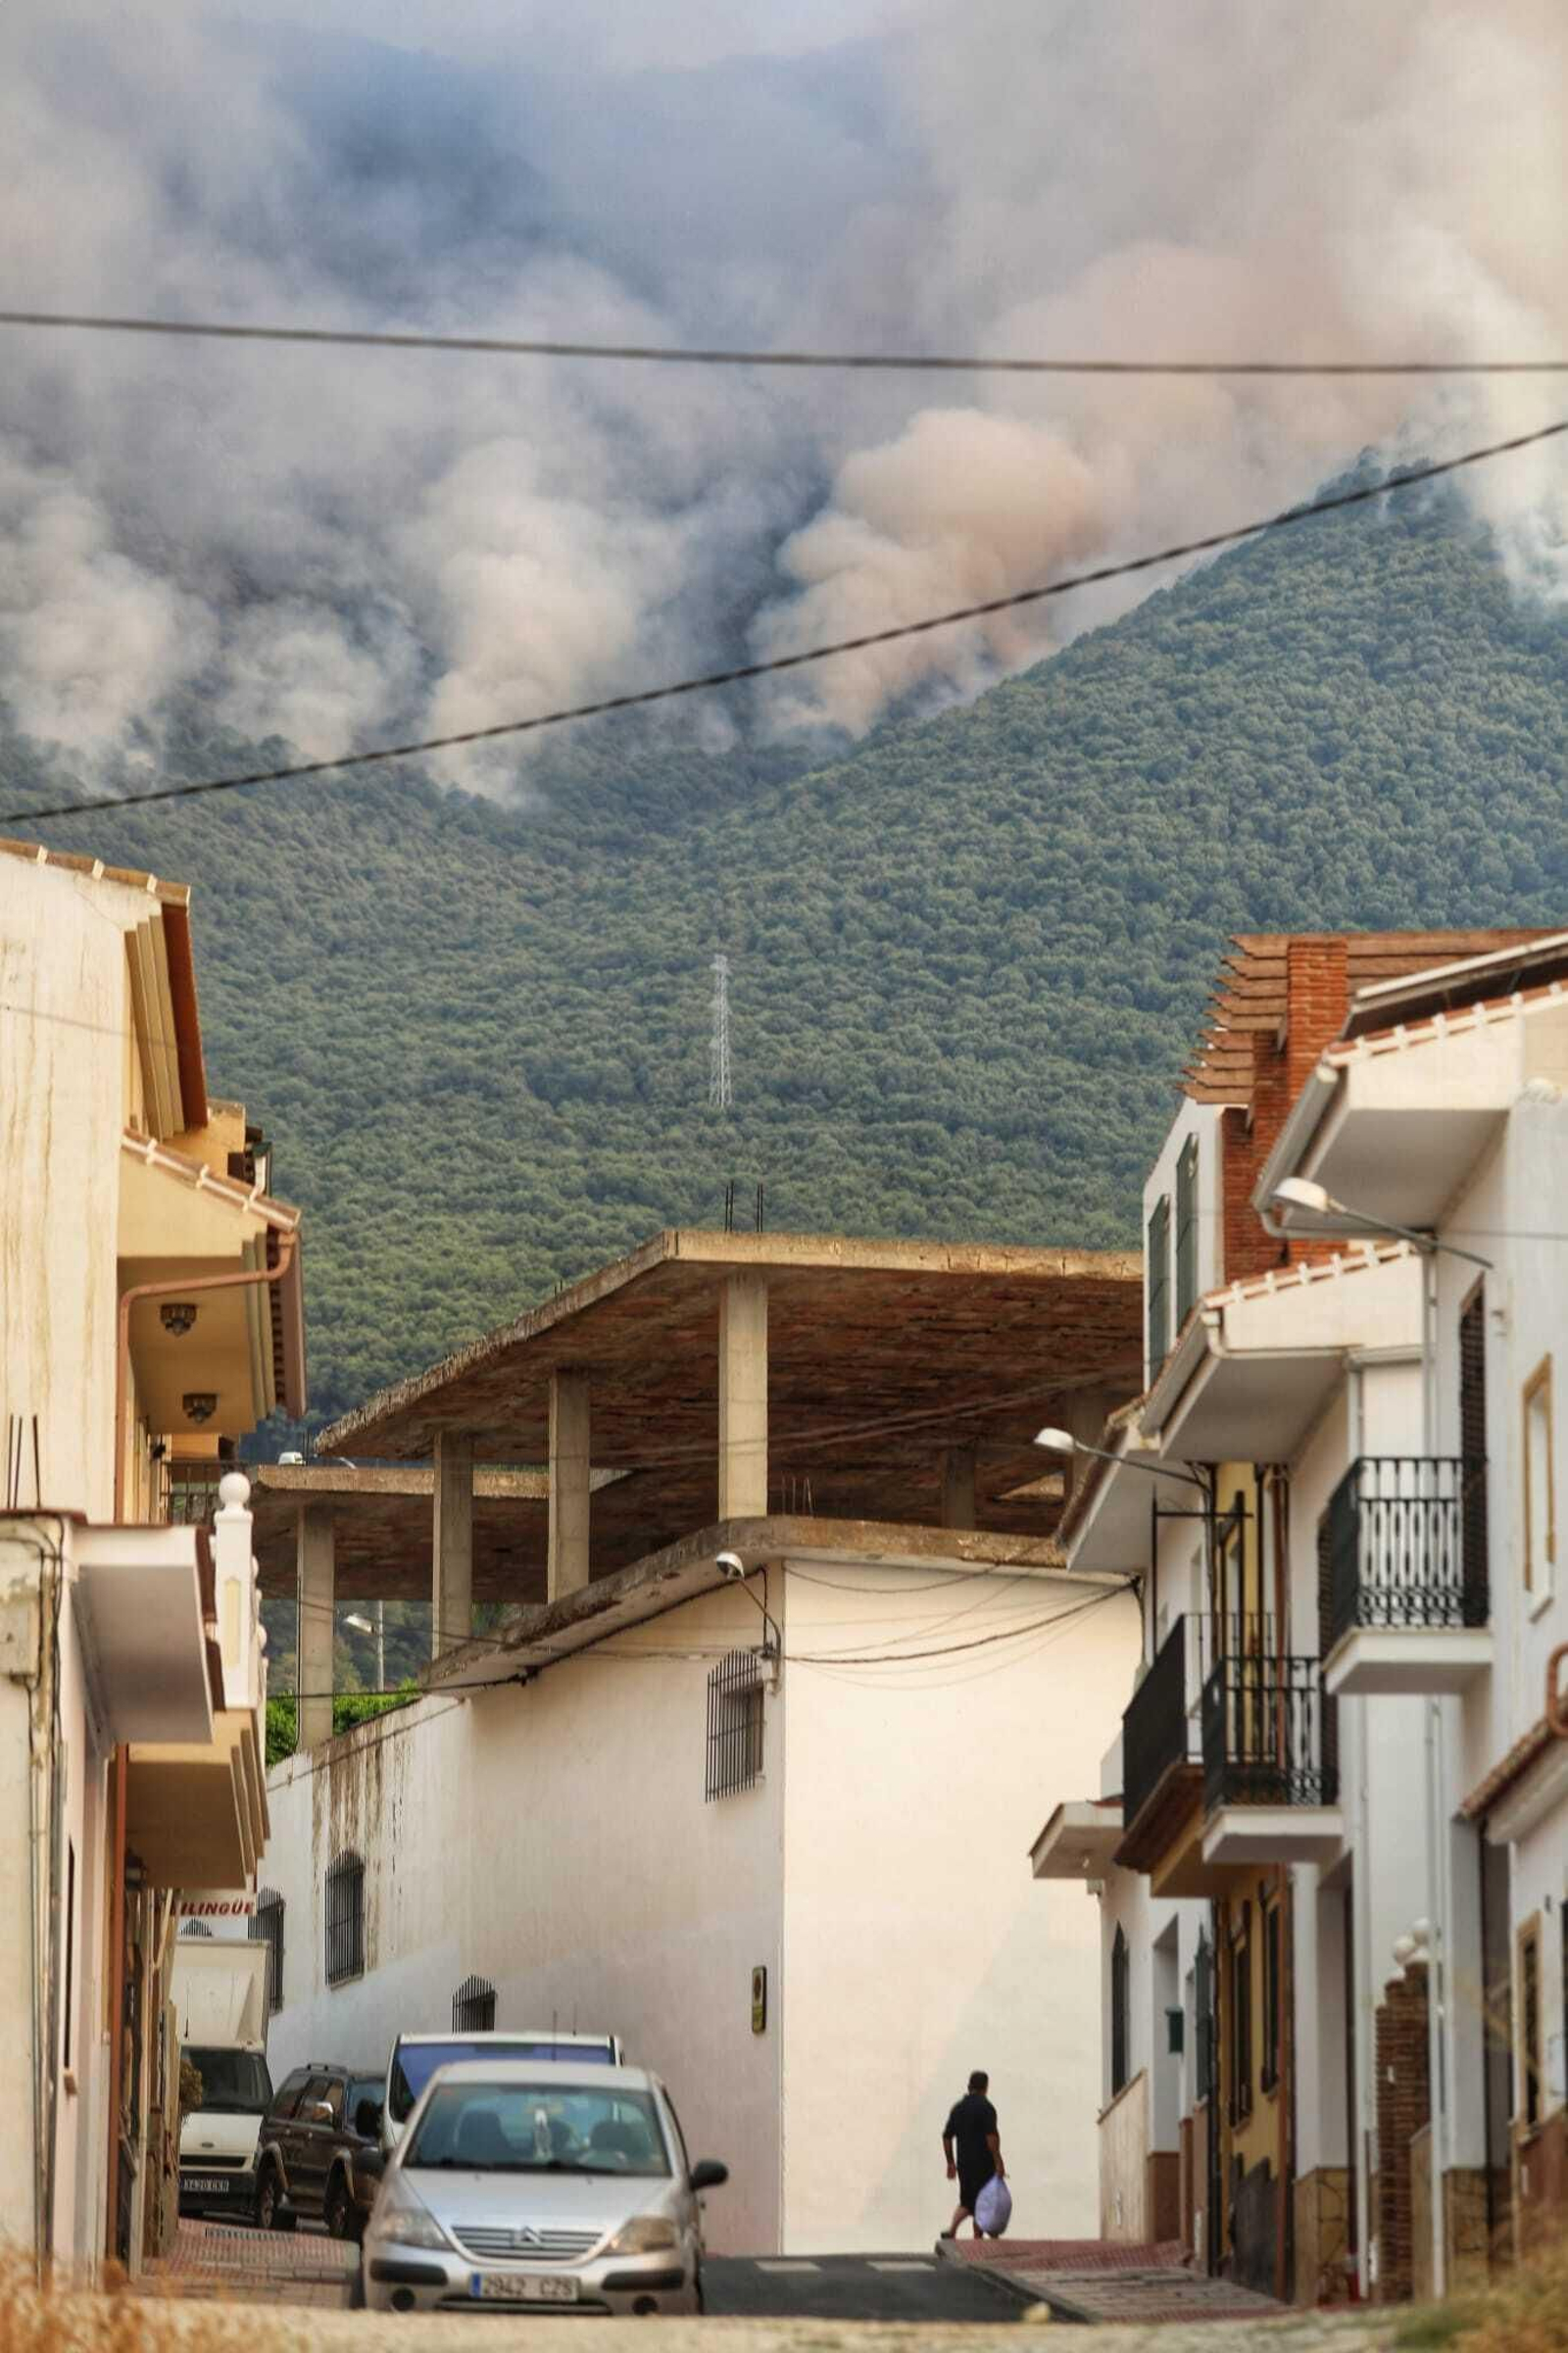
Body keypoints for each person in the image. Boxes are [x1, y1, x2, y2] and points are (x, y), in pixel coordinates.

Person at [940, 2070, 1004, 2239]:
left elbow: (947, 2136)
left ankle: (953, 2230)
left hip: (964, 2164)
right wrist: (998, 2161)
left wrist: (950, 2162)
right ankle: (977, 2237)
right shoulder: (986, 2108)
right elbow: (991, 2138)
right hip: (983, 2163)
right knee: (982, 2201)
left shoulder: (958, 2108)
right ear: (986, 2087)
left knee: (968, 2200)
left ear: (969, 2086)